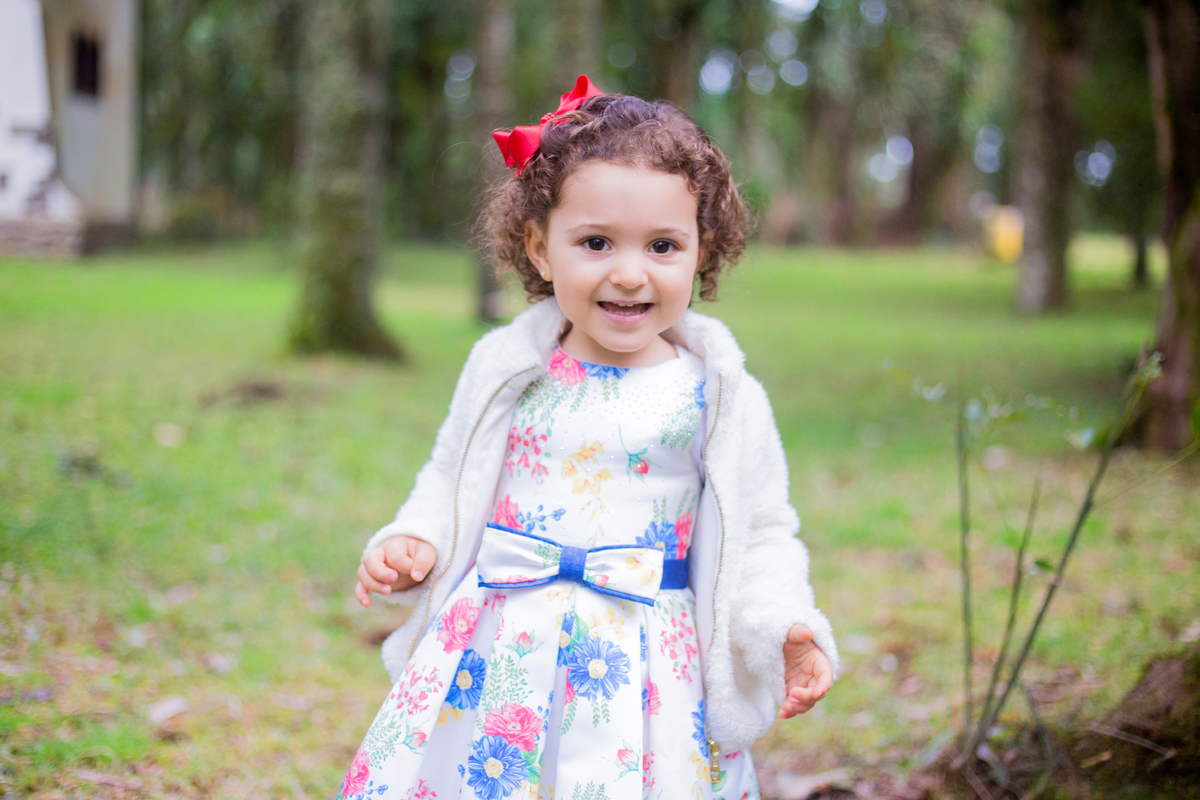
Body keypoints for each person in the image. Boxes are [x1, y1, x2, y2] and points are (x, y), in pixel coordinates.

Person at [340, 76, 838, 800]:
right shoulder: (509, 369)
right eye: (596, 242)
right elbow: (449, 478)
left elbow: (761, 533)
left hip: (645, 672)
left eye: (663, 245)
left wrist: (786, 626)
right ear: (541, 249)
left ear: (703, 250)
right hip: (502, 651)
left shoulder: (719, 399)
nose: (629, 274)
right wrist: (415, 542)